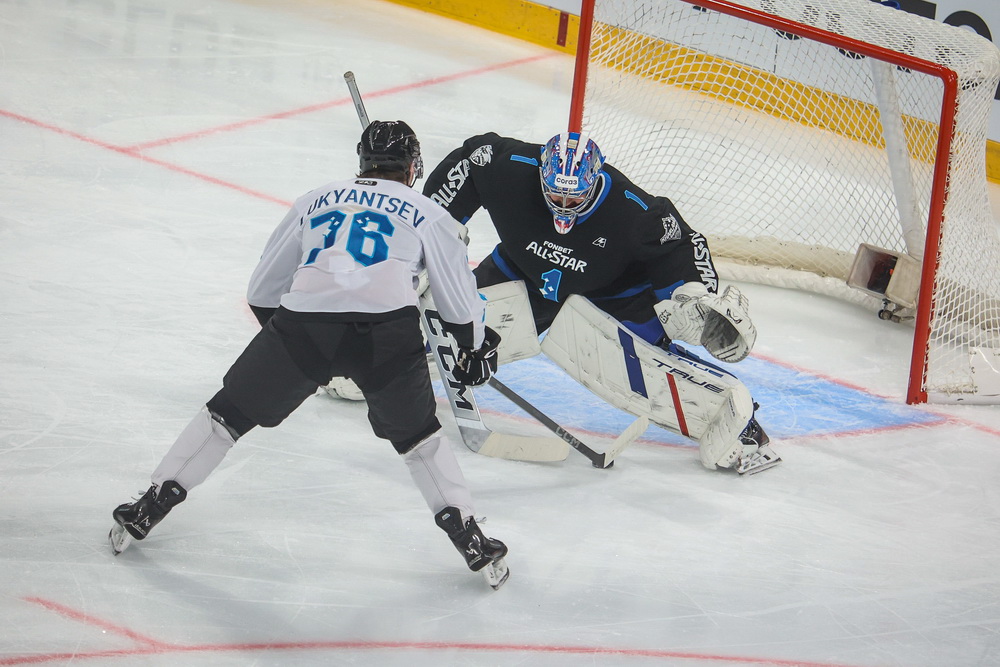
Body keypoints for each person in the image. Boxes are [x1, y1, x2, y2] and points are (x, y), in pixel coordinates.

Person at [109, 120, 510, 588]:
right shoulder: (430, 213)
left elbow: (262, 291)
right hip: (387, 336)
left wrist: (291, 346)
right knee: (420, 439)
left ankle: (150, 505)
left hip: (303, 328)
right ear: (412, 166)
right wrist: (473, 346)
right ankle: (469, 538)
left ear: (362, 160)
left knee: (225, 417)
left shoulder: (315, 199)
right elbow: (458, 305)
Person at [421, 130, 779, 475]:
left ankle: (740, 426)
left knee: (643, 366)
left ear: (595, 181)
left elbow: (682, 243)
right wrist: (422, 236)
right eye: (555, 194)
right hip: (521, 270)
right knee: (445, 324)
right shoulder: (508, 168)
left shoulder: (634, 211)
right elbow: (472, 158)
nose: (563, 206)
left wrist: (692, 293)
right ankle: (390, 373)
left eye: (574, 198)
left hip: (611, 293)